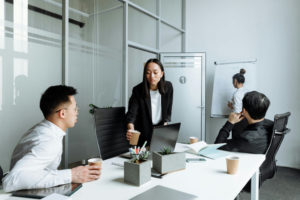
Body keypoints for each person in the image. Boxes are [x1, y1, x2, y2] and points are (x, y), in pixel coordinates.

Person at [3, 85, 101, 192]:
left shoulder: (44, 129)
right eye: (75, 108)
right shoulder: (49, 141)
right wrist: (71, 175)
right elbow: (11, 181)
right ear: (62, 113)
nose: (77, 112)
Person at [126, 58, 173, 147]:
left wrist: (164, 128)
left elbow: (167, 112)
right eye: (148, 73)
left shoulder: (168, 87)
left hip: (159, 133)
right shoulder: (138, 90)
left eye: (155, 72)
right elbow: (131, 115)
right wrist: (131, 130)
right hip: (142, 132)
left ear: (161, 74)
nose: (151, 76)